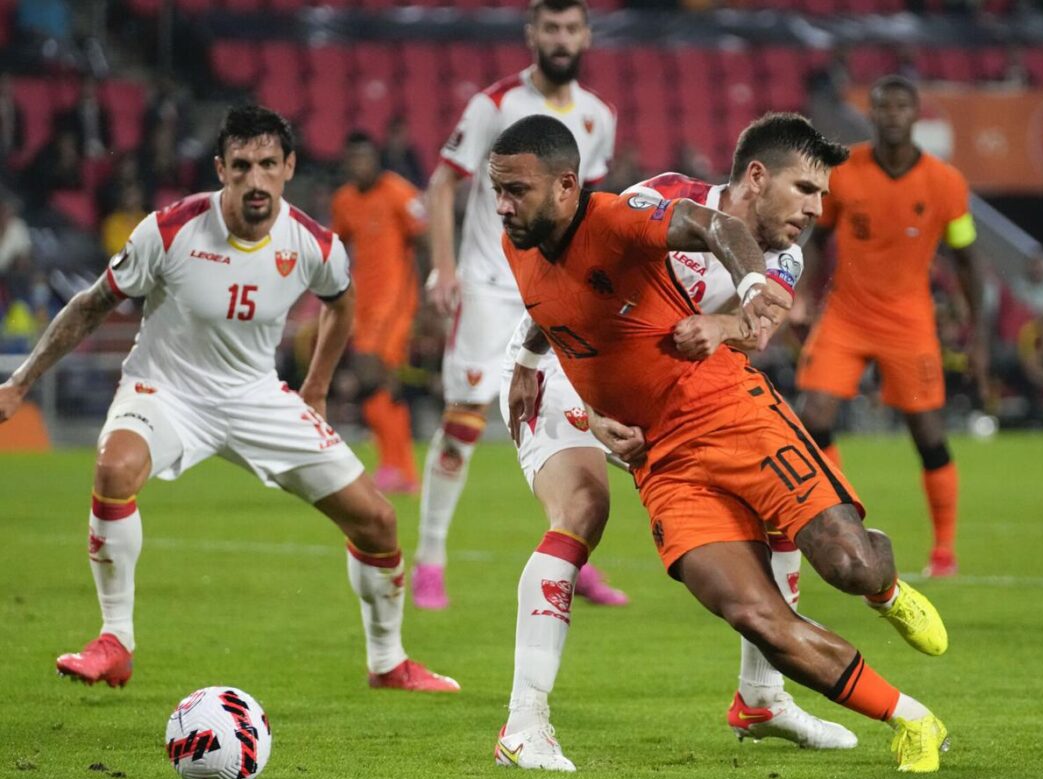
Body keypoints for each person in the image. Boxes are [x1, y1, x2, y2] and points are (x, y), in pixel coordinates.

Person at [495, 113, 950, 773]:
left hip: (701, 393)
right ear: (757, 177)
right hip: (585, 381)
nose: (816, 210)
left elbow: (755, 331)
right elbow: (570, 294)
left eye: (822, 196)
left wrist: (724, 319)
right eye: (805, 191)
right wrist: (543, 374)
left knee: (845, 560)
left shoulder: (784, 257)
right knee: (586, 515)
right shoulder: (649, 204)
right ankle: (525, 720)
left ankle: (812, 653)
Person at [0, 105, 458, 694]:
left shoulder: (314, 244)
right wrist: (22, 381)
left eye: (268, 164)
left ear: (289, 167)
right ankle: (116, 640)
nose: (255, 179)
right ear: (221, 168)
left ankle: (388, 662)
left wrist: (314, 388)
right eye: (241, 165)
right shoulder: (169, 230)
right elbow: (91, 304)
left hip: (256, 397)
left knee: (378, 521)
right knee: (114, 470)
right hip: (166, 389)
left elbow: (340, 303)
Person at [416, 0, 621, 609]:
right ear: (532, 34)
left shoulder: (597, 116)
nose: (561, 39)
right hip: (489, 282)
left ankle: (573, 553)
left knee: (572, 418)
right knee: (465, 419)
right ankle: (430, 559)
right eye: (550, 28)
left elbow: (588, 204)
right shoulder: (494, 104)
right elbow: (442, 181)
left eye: (571, 28)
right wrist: (446, 269)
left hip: (557, 288)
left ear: (586, 35)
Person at [795, 75, 988, 579]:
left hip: (908, 321)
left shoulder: (946, 184)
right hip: (846, 315)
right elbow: (818, 238)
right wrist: (801, 296)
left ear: (916, 114)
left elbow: (966, 259)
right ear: (872, 113)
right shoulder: (843, 172)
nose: (893, 115)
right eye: (883, 106)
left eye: (902, 106)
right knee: (813, 419)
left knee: (928, 436)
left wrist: (977, 332)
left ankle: (944, 551)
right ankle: (843, 523)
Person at [331, 131, 426, 494]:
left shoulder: (398, 192)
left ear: (375, 159)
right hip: (363, 304)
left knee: (373, 376)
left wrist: (432, 291)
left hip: (395, 302)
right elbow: (337, 246)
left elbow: (424, 239)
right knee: (379, 385)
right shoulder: (345, 201)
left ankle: (397, 468)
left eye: (365, 158)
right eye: (353, 160)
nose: (360, 166)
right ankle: (398, 470)